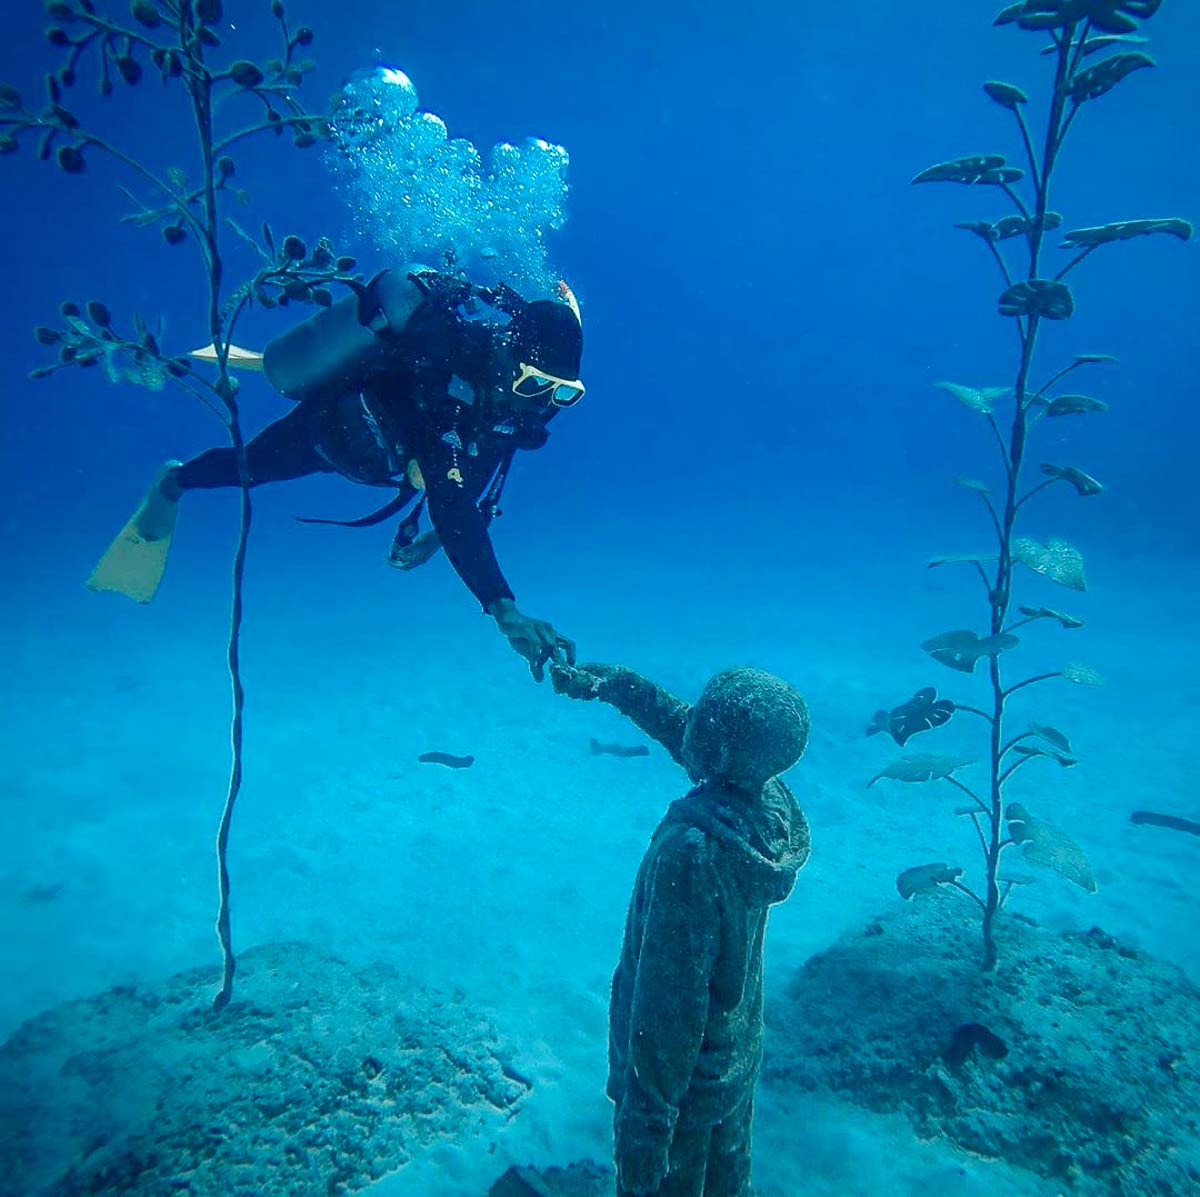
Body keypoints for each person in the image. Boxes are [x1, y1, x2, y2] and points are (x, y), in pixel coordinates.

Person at [87, 266, 584, 678]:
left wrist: (435, 537)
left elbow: (474, 471)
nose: (545, 405)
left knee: (493, 437)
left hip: (388, 457)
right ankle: (173, 482)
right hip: (330, 434)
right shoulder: (446, 377)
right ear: (506, 357)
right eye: (538, 384)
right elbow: (450, 495)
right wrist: (503, 608)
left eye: (564, 393)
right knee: (248, 467)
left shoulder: (509, 404)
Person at [550, 661, 812, 1197]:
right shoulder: (769, 807)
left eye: (702, 721)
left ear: (717, 751)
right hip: (733, 1062)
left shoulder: (691, 857)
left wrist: (645, 1127)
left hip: (679, 1093)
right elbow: (701, 740)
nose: (687, 723)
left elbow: (670, 1003)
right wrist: (612, 686)